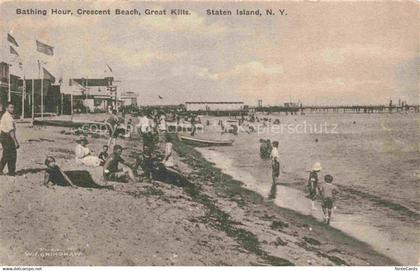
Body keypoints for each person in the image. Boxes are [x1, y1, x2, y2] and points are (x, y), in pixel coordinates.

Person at [0, 102, 19, 176]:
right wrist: (15, 142)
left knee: (6, 154)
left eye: (13, 107)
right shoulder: (8, 117)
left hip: (4, 136)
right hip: (7, 137)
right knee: (12, 154)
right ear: (6, 108)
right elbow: (11, 131)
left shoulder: (7, 115)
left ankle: (0, 169)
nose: (12, 109)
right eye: (11, 107)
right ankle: (11, 172)